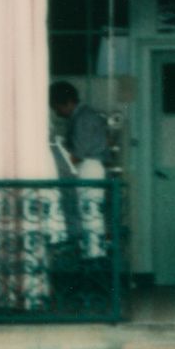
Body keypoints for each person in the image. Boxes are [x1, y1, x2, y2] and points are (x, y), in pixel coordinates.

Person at [48, 81, 109, 261]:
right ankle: (91, 253)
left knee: (89, 213)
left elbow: (78, 154)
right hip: (90, 167)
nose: (57, 113)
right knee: (89, 212)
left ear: (66, 102)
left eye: (57, 107)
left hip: (90, 167)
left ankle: (93, 256)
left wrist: (59, 165)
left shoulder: (83, 118)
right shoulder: (84, 115)